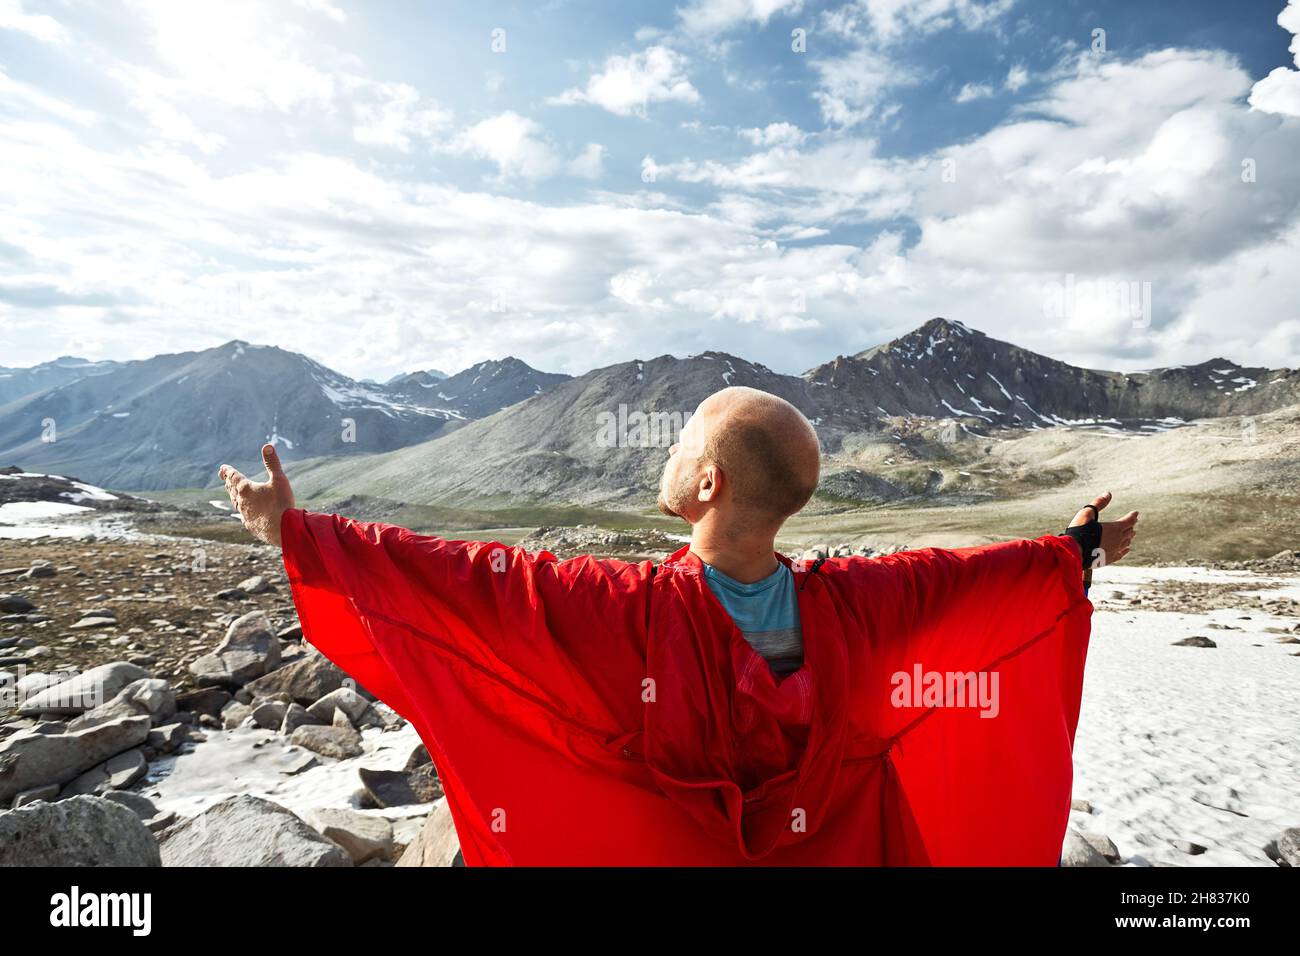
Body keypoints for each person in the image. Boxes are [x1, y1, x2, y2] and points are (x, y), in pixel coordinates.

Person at [219, 385, 1138, 865]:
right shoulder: (863, 606)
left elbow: (466, 582)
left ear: (709, 485)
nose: (668, 453)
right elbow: (967, 584)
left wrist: (295, 532)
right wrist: (1076, 550)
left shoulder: (618, 609)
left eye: (683, 442)